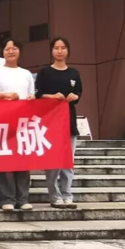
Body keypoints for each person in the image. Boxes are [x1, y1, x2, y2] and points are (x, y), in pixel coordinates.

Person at [0, 39, 35, 212]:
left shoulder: (26, 73)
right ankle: (7, 198)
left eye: (14, 48)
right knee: (5, 161)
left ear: (20, 51)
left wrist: (31, 99)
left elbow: (31, 95)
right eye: (7, 49)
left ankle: (23, 198)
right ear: (2, 52)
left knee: (23, 160)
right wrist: (6, 95)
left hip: (23, 122)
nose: (11, 51)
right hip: (3, 121)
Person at [36, 36, 82, 209]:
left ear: (68, 50)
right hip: (50, 122)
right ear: (51, 51)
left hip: (69, 121)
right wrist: (52, 96)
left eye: (63, 47)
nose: (60, 51)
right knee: (53, 161)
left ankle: (67, 194)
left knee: (68, 161)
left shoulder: (74, 73)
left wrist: (75, 96)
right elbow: (38, 94)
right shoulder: (45, 72)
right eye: (56, 47)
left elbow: (78, 93)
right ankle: (54, 195)